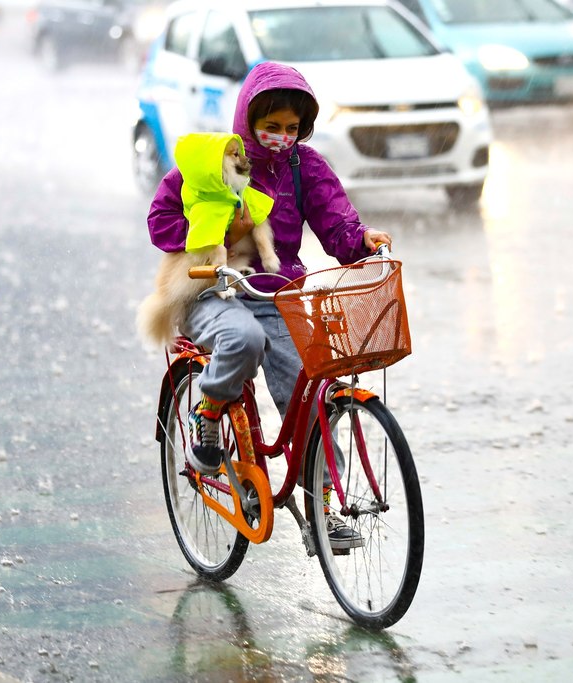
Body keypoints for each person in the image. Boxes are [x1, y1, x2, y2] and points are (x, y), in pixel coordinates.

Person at [146, 62, 392, 548]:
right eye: (271, 126)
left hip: (277, 291)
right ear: (248, 120)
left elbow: (335, 223)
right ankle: (209, 412)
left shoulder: (305, 167)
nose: (282, 136)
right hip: (210, 288)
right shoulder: (216, 160)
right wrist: (219, 235)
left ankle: (324, 505)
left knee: (308, 390)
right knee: (243, 338)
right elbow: (161, 220)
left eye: (292, 128)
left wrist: (361, 240)